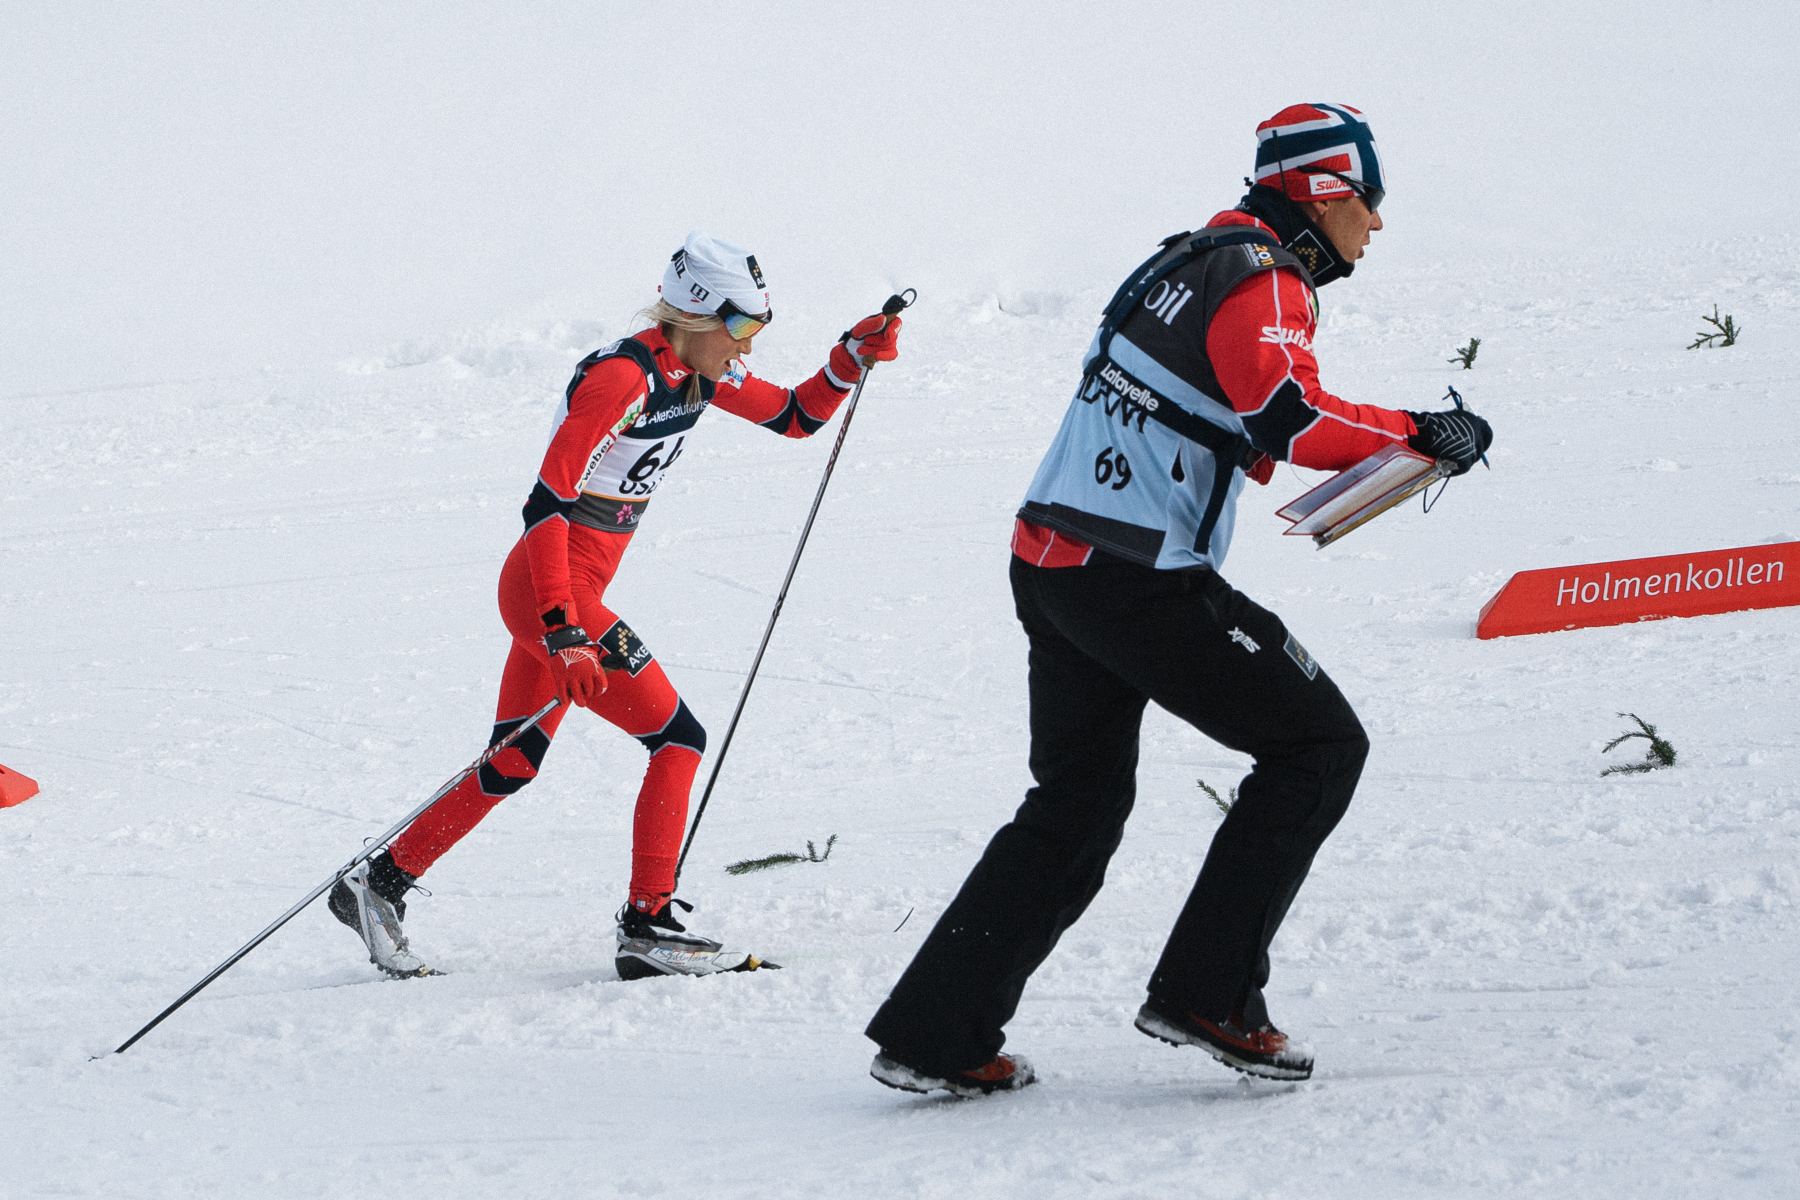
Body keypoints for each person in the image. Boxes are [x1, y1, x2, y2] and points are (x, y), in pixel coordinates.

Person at [865, 103, 1492, 1096]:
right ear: (1324, 190)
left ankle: (937, 1034)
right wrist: (1424, 428)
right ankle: (1209, 996)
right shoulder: (1263, 278)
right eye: (1368, 197)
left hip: (1053, 558)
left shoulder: (1186, 259)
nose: (1376, 221)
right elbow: (1289, 416)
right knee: (1320, 747)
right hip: (1133, 576)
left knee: (1074, 805)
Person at [329, 231, 903, 980]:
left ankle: (377, 885)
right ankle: (650, 924)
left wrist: (846, 360)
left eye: (759, 330)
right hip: (549, 587)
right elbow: (544, 505)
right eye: (740, 328)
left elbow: (796, 417)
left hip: (570, 591)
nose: (748, 349)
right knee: (678, 739)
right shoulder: (623, 379)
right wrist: (565, 632)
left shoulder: (698, 373)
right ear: (696, 316)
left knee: (513, 762)